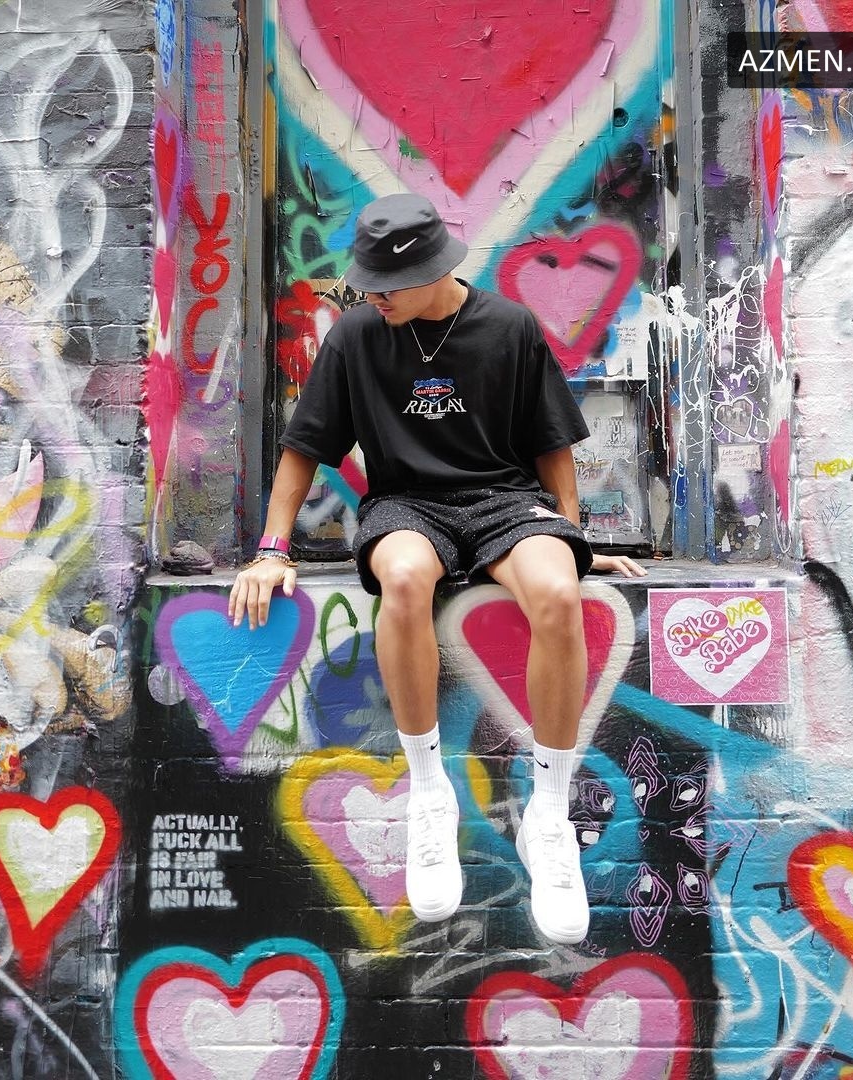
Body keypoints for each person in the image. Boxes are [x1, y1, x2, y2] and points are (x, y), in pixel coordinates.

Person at [229, 193, 646, 945]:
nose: (374, 297)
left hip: (505, 503)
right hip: (406, 506)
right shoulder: (357, 335)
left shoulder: (509, 327)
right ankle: (429, 793)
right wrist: (270, 550)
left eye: (387, 285)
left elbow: (551, 442)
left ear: (431, 272)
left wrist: (572, 538)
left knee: (559, 592)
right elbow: (305, 447)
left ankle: (549, 815)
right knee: (404, 579)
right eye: (367, 285)